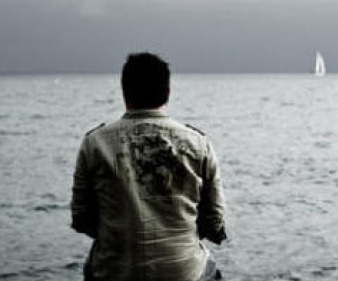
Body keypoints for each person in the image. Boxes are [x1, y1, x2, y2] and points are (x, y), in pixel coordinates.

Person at [70, 52, 227, 281]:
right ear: (168, 92)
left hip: (115, 272)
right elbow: (214, 222)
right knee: (208, 267)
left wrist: (119, 233)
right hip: (183, 272)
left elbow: (81, 218)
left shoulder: (95, 143)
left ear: (124, 91)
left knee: (92, 266)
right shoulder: (198, 144)